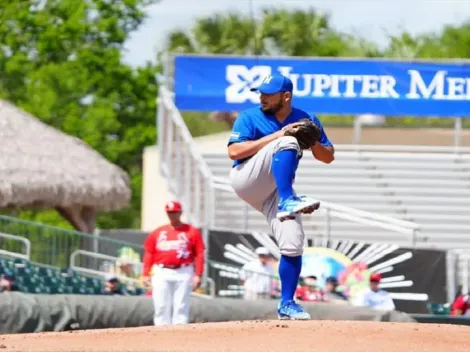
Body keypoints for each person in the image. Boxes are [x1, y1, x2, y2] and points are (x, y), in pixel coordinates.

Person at [227, 73, 334, 320]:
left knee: (293, 243)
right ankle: (288, 200)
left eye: (268, 93)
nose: (262, 97)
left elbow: (327, 156)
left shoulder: (306, 119)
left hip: (274, 190)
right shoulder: (249, 117)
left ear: (286, 96)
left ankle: (287, 304)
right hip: (247, 179)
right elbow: (233, 152)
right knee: (286, 142)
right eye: (261, 92)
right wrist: (278, 135)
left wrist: (314, 142)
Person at [142, 201, 205, 326]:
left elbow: (199, 254)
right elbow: (149, 253)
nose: (172, 215)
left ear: (180, 212)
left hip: (183, 270)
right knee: (161, 305)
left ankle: (180, 333)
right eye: (170, 212)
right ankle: (160, 332)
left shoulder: (191, 231)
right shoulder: (159, 232)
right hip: (161, 270)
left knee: (181, 305)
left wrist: (198, 274)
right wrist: (145, 273)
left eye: (175, 212)